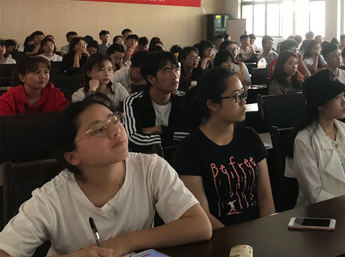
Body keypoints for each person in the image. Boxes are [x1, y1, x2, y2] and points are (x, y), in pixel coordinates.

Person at [0, 95, 212, 256]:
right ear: (72, 156)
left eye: (115, 120)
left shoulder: (150, 167)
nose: (116, 131)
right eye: (99, 130)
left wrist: (125, 242)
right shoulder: (52, 198)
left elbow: (200, 226)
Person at [172, 68, 275, 228]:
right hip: (219, 235)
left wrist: (268, 229)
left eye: (243, 94)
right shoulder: (190, 150)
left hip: (257, 230)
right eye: (236, 96)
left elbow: (265, 195)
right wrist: (234, 239)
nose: (243, 102)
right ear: (212, 105)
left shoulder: (250, 137)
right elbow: (202, 215)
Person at [285, 70, 345, 206]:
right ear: (319, 105)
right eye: (337, 97)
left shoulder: (344, 130)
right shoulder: (304, 139)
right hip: (323, 211)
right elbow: (314, 194)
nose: (344, 102)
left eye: (343, 95)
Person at [123, 51, 188, 149]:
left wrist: (159, 129)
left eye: (176, 69)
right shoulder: (133, 101)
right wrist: (173, 135)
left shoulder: (184, 99)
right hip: (146, 157)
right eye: (167, 71)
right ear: (151, 79)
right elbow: (133, 138)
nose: (175, 76)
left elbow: (195, 134)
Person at [0, 57, 69, 115]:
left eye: (46, 72)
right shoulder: (10, 97)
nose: (43, 76)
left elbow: (67, 117)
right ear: (22, 77)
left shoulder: (54, 94)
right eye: (37, 72)